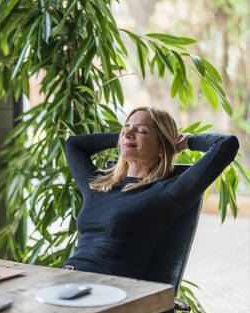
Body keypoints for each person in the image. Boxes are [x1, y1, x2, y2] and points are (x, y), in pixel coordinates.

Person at [63, 106, 239, 279]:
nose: (128, 133)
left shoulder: (167, 193)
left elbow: (226, 144)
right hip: (67, 276)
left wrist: (185, 142)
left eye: (141, 131)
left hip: (107, 290)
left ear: (161, 145)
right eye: (126, 127)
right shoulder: (99, 184)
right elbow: (73, 144)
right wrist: (126, 137)